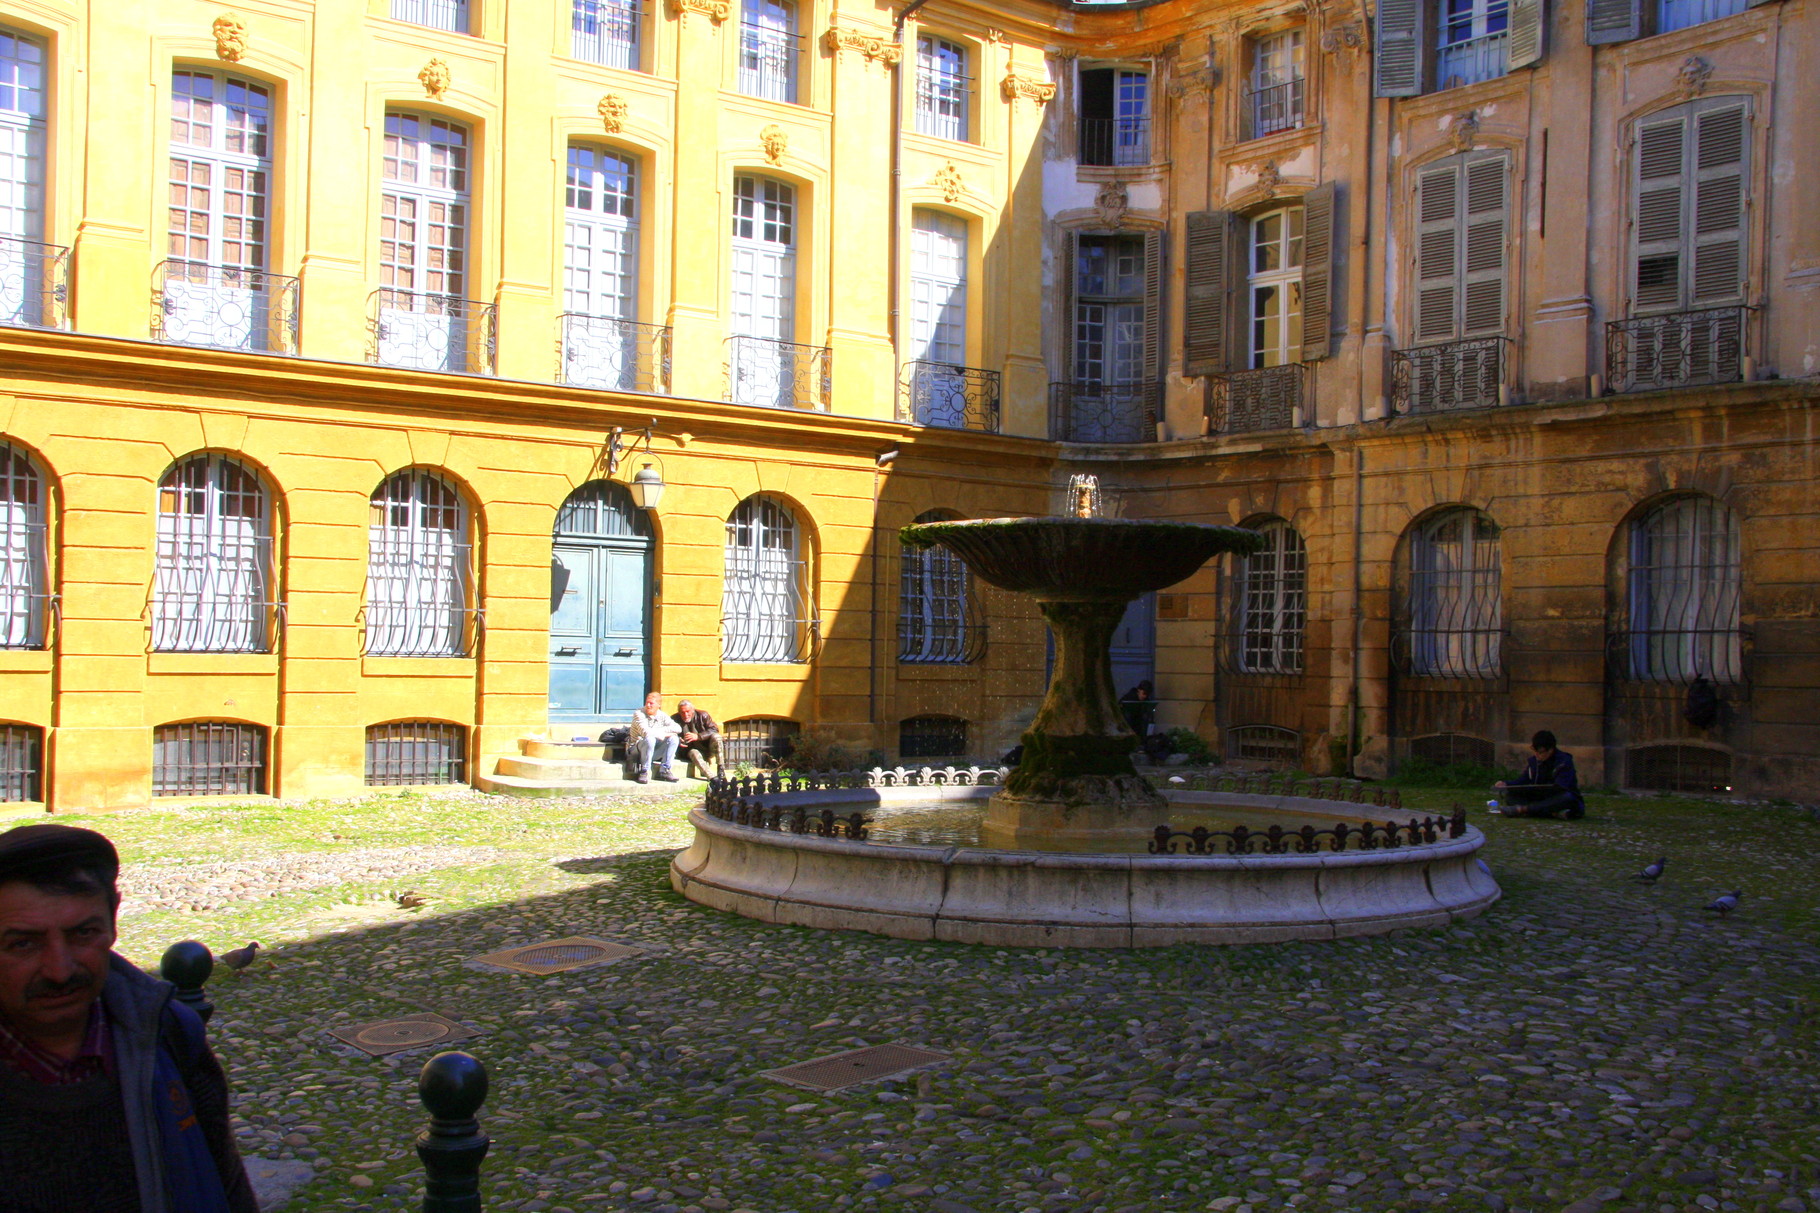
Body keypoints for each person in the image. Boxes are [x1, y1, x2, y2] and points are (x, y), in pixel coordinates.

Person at [0, 823, 257, 1213]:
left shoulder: (169, 1034)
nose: (59, 970)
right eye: (23, 943)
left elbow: (223, 1181)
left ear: (114, 920)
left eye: (82, 934)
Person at [1494, 730, 1587, 819]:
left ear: (1550, 750)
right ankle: (1550, 813)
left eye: (1540, 752)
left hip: (1556, 797)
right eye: (1535, 751)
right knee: (1511, 797)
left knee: (1567, 798)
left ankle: (1525, 809)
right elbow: (1523, 780)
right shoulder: (1534, 762)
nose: (1537, 755)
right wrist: (1506, 784)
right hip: (1540, 799)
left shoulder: (1564, 762)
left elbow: (1562, 787)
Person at [626, 691, 682, 784]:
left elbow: (678, 728)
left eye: (651, 703)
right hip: (637, 749)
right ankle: (644, 771)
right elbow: (646, 732)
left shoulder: (662, 715)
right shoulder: (639, 713)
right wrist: (663, 734)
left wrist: (662, 733)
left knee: (674, 739)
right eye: (647, 702)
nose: (648, 705)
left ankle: (665, 770)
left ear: (658, 705)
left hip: (654, 749)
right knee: (650, 739)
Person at [672, 700, 721, 780]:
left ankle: (721, 768)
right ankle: (712, 778)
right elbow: (668, 733)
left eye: (688, 711)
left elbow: (714, 729)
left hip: (706, 747)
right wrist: (677, 740)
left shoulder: (703, 715)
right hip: (688, 750)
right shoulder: (674, 719)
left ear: (693, 710)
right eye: (682, 712)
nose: (685, 715)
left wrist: (698, 736)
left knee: (717, 737)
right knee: (694, 752)